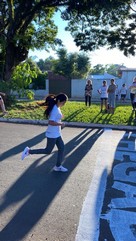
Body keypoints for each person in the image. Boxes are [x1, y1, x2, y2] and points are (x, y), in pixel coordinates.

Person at [21, 93, 68, 172]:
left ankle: (58, 166)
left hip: (57, 133)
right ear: (59, 100)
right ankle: (29, 151)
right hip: (52, 134)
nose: (64, 104)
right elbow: (50, 122)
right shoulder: (55, 110)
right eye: (63, 102)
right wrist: (61, 123)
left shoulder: (56, 107)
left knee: (62, 148)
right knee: (48, 150)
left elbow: (54, 118)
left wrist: (60, 117)